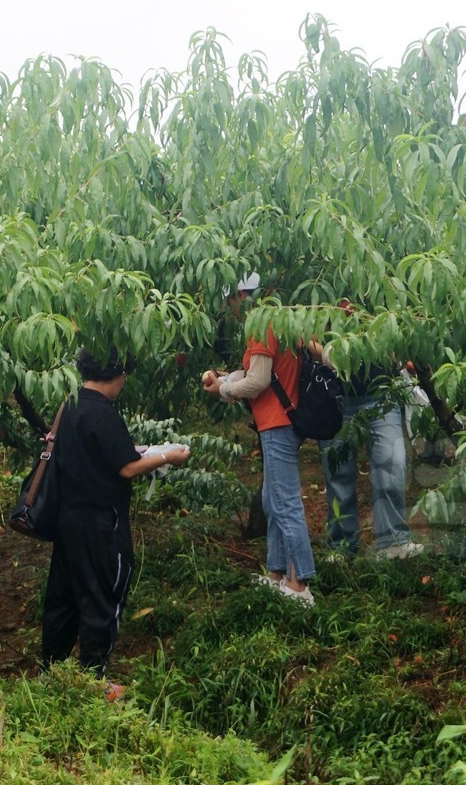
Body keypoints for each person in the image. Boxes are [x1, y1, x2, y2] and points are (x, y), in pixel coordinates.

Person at [41, 347, 191, 687]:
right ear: (118, 375)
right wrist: (167, 454)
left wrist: (140, 450)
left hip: (68, 521)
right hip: (100, 524)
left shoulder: (71, 405)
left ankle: (52, 674)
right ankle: (93, 680)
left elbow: (99, 452)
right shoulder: (103, 413)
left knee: (63, 599)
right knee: (102, 597)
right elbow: (126, 467)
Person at [202, 275, 317, 606]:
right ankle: (277, 574)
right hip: (279, 420)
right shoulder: (276, 320)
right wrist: (225, 379)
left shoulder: (261, 324)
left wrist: (224, 389)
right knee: (272, 500)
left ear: (241, 295)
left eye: (230, 302)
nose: (230, 310)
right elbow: (256, 371)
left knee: (284, 502)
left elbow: (259, 381)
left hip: (277, 422)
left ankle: (300, 583)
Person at [318, 359, 423, 560]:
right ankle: (342, 546)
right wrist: (327, 353)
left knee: (392, 463)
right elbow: (305, 336)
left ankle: (392, 542)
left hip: (381, 393)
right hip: (335, 396)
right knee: (338, 475)